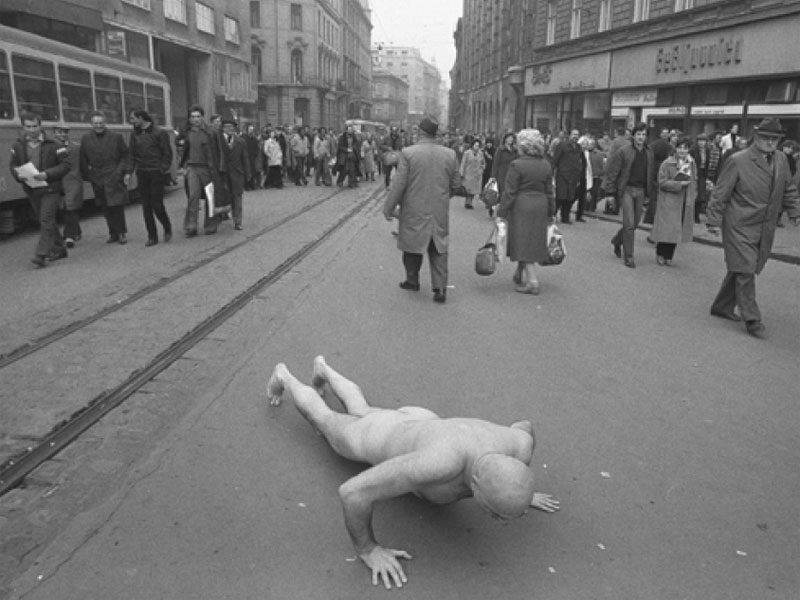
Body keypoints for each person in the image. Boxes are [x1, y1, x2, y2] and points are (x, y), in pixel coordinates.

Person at [266, 357, 560, 590]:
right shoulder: (438, 464)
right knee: (327, 420)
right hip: (385, 436)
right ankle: (284, 376)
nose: (498, 521)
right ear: (475, 483)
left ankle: (323, 368)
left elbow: (524, 426)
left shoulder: (520, 446)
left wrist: (520, 489)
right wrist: (368, 549)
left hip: (426, 423)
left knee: (363, 409)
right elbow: (352, 493)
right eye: (496, 514)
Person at [706, 118, 800, 338]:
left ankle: (721, 306)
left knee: (741, 267)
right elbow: (720, 192)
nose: (770, 142)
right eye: (765, 138)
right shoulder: (738, 160)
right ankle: (752, 319)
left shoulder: (781, 159)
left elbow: (788, 188)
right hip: (738, 224)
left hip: (764, 226)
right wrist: (713, 221)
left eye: (774, 139)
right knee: (746, 269)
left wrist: (795, 212)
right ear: (756, 137)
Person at [383, 117, 460, 304]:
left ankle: (412, 280)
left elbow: (399, 184)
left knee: (412, 245)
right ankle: (440, 288)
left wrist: (389, 208)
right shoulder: (450, 154)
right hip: (439, 209)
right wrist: (442, 197)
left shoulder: (409, 153)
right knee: (438, 247)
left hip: (413, 208)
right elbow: (456, 185)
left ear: (420, 132)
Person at [496, 129, 555, 295]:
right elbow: (550, 191)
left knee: (523, 240)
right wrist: (551, 211)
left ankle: (533, 281)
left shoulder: (517, 165)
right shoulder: (545, 165)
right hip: (541, 204)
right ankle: (520, 272)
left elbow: (510, 192)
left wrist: (501, 212)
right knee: (531, 240)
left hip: (522, 205)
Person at [9, 111, 71, 267]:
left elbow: (66, 165)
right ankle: (59, 248)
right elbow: (13, 164)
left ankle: (41, 254)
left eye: (35, 126)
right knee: (46, 220)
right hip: (32, 188)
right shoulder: (18, 146)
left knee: (46, 219)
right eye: (28, 127)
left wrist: (47, 174)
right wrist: (18, 175)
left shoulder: (55, 144)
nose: (32, 130)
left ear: (40, 126)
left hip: (51, 188)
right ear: (23, 127)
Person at [602, 122, 656, 268]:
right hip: (626, 190)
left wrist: (650, 192)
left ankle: (617, 240)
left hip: (641, 191)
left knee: (635, 223)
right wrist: (610, 193)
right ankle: (629, 256)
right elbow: (613, 172)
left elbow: (651, 173)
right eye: (638, 134)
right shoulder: (624, 151)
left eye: (643, 134)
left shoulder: (649, 152)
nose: (641, 137)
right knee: (629, 223)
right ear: (633, 136)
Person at [79, 111, 132, 244]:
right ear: (91, 124)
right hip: (97, 177)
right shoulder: (86, 139)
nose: (98, 125)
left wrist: (120, 172)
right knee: (105, 207)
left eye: (101, 123)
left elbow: (125, 156)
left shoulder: (116, 137)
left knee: (117, 206)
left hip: (113, 175)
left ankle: (121, 233)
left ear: (105, 122)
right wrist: (89, 176)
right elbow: (83, 160)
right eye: (96, 123)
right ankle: (112, 232)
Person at [177, 105, 229, 236]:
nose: (195, 119)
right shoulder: (188, 132)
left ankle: (211, 224)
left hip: (208, 169)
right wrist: (183, 166)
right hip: (192, 168)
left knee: (210, 198)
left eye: (198, 116)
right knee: (193, 197)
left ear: (202, 117)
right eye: (193, 117)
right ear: (190, 118)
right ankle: (191, 226)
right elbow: (185, 150)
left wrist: (221, 169)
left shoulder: (211, 132)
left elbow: (221, 151)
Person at [129, 108, 173, 246]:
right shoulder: (134, 135)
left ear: (141, 118)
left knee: (157, 204)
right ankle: (152, 236)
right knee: (146, 206)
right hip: (142, 172)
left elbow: (167, 153)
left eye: (133, 118)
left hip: (155, 172)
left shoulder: (159, 133)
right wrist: (129, 172)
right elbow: (132, 155)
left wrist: (162, 169)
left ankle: (167, 226)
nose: (132, 121)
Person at [651, 136, 696, 266]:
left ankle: (669, 255)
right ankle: (660, 253)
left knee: (677, 229)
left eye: (685, 148)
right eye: (680, 148)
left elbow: (694, 180)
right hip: (668, 200)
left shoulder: (691, 163)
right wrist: (678, 184)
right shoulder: (667, 163)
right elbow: (661, 182)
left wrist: (693, 195)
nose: (682, 151)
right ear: (675, 149)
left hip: (683, 200)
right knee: (667, 229)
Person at [52, 123, 83, 248]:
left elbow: (82, 163)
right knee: (64, 208)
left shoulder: (76, 147)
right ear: (54, 133)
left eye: (65, 132)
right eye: (60, 132)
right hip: (56, 181)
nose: (63, 134)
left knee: (71, 208)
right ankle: (77, 231)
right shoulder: (50, 147)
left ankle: (69, 236)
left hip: (73, 181)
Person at [222, 119, 251, 231]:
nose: (230, 129)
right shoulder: (219, 141)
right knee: (224, 196)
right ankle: (222, 214)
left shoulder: (240, 141)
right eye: (227, 126)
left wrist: (248, 174)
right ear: (223, 128)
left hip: (237, 173)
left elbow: (245, 158)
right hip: (223, 174)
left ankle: (238, 221)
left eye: (232, 126)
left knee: (237, 197)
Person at [551, 128, 584, 224]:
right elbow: (555, 159)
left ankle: (565, 217)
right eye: (574, 134)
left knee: (570, 197)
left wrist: (579, 174)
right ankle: (552, 215)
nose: (575, 137)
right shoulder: (562, 145)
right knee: (561, 196)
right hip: (562, 175)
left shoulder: (578, 148)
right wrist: (552, 173)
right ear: (570, 135)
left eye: (577, 135)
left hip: (573, 176)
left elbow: (580, 161)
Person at [460, 139, 485, 209]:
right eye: (475, 145)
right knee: (468, 189)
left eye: (478, 146)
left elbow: (483, 163)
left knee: (474, 190)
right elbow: (463, 163)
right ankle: (468, 202)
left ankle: (470, 202)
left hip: (477, 174)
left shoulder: (481, 154)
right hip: (468, 173)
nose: (477, 147)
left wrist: (482, 169)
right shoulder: (467, 153)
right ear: (472, 145)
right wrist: (461, 173)